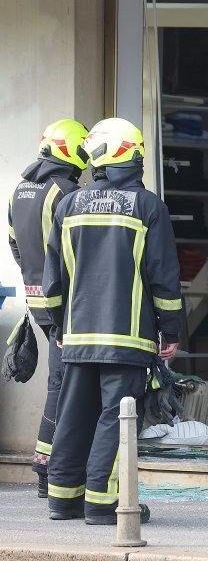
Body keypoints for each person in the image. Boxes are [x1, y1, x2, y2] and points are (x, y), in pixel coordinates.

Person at [42, 117, 183, 525]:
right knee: (116, 418)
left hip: (77, 336)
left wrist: (58, 327)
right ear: (131, 155)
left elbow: (53, 281)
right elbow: (163, 278)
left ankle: (62, 498)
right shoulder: (148, 206)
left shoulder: (69, 205)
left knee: (74, 413)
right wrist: (170, 331)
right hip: (128, 336)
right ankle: (103, 503)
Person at [8, 119, 89, 498]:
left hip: (36, 302)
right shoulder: (65, 191)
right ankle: (48, 470)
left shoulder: (19, 190)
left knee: (59, 384)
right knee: (63, 387)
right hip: (64, 306)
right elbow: (74, 253)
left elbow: (16, 246)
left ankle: (52, 468)